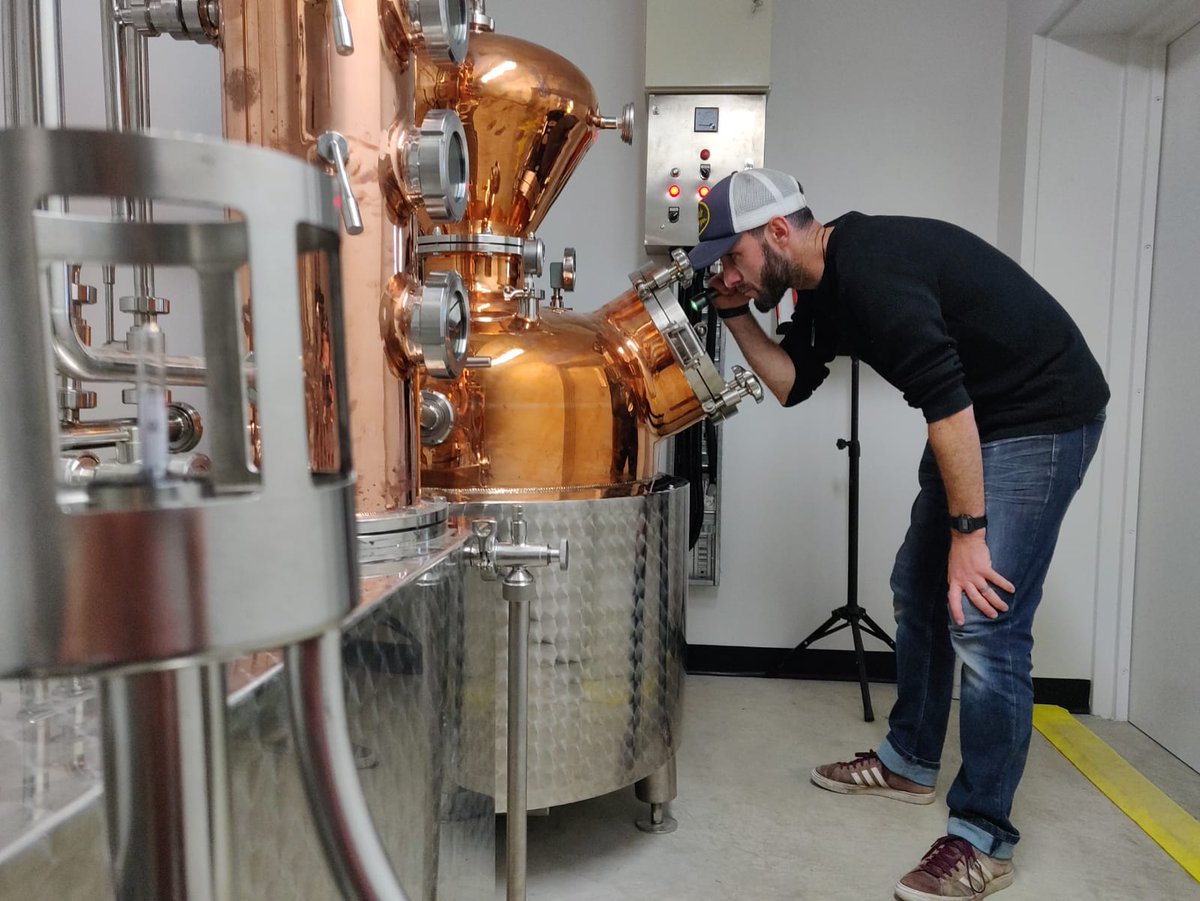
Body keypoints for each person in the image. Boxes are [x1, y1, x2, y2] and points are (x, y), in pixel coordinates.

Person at [690, 168, 1108, 900]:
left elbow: (945, 406)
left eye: (733, 256)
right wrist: (733, 313)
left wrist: (969, 531)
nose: (727, 270)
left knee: (984, 619)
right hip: (979, 411)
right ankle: (910, 760)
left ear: (778, 232)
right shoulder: (816, 290)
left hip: (1040, 410)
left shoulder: (875, 271)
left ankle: (983, 835)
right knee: (917, 587)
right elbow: (792, 383)